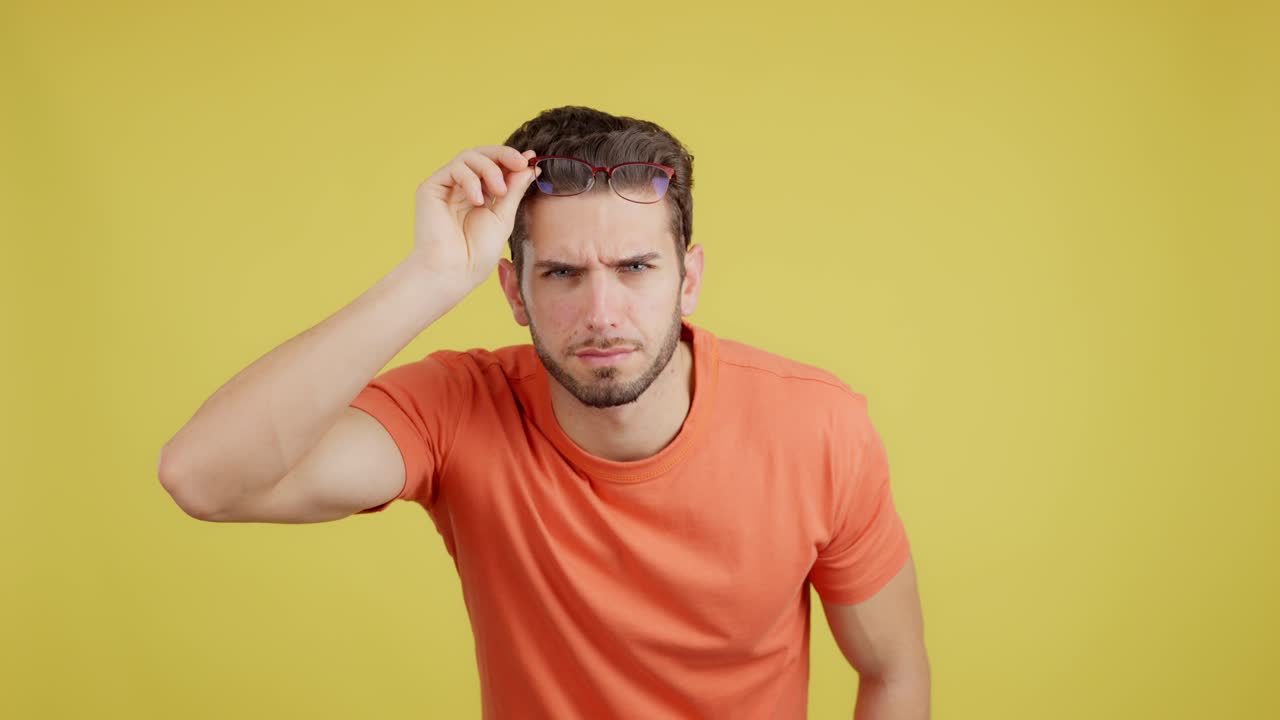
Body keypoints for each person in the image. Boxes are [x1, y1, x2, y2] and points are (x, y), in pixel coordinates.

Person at [158, 106, 931, 719]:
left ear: (689, 279)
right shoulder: (458, 407)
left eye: (636, 266)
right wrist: (431, 276)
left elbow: (893, 670)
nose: (602, 313)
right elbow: (203, 478)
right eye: (562, 274)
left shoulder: (817, 427)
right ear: (514, 291)